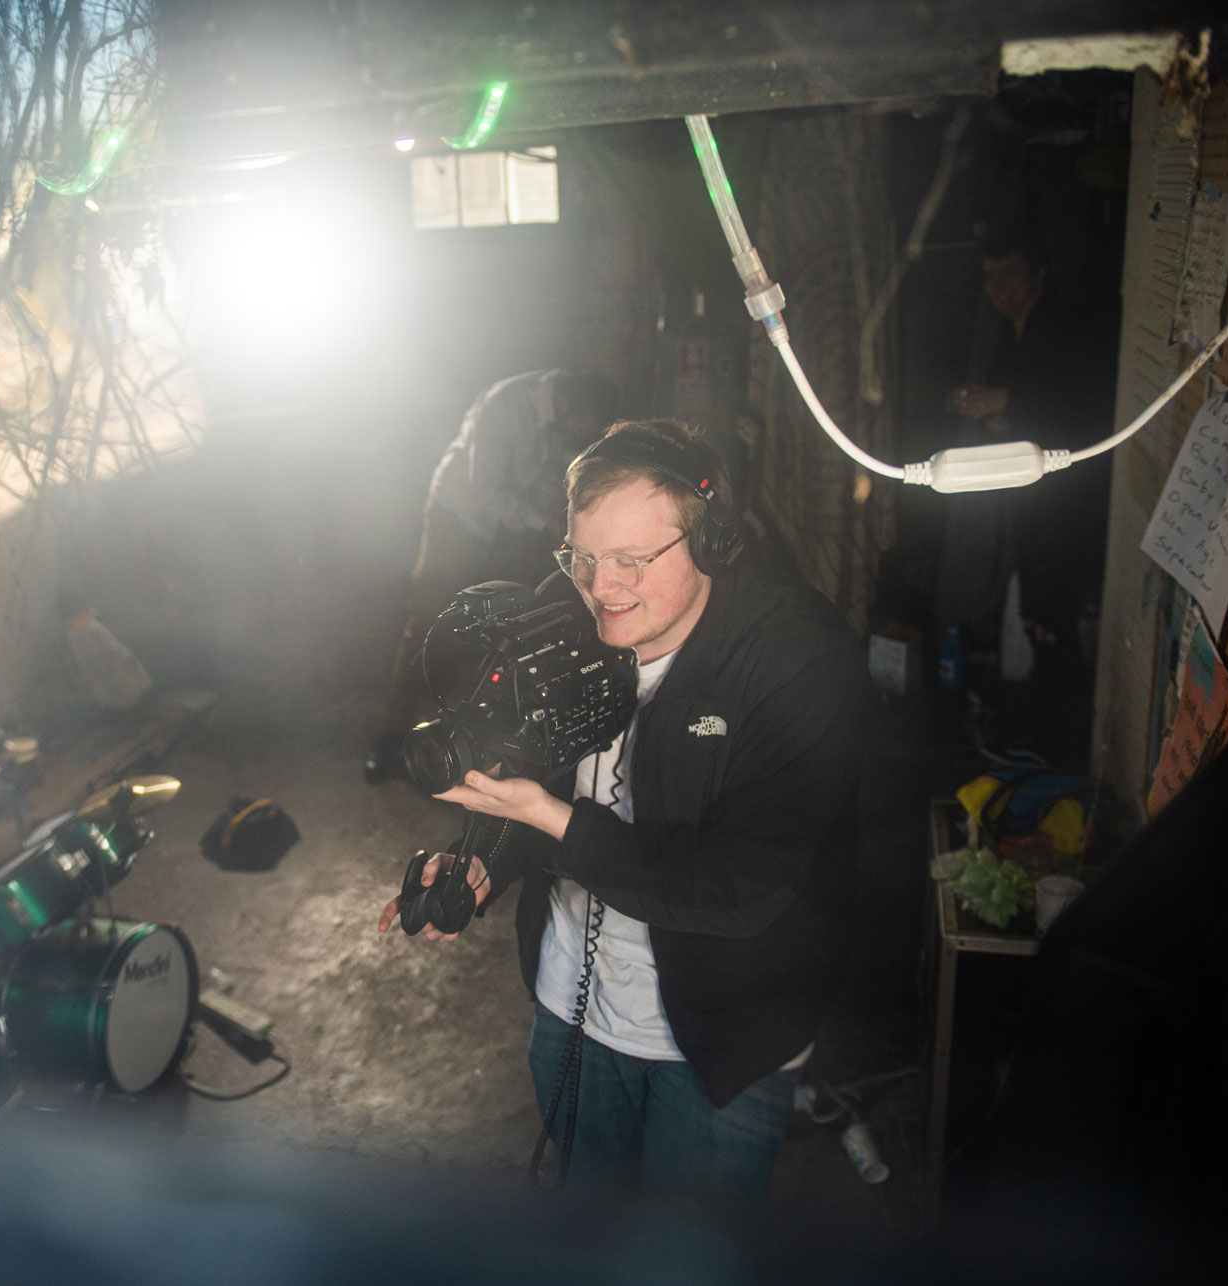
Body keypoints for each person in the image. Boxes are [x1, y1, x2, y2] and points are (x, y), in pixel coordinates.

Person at [378, 420, 870, 1208]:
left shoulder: (800, 662)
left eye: (634, 561)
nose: (600, 588)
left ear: (707, 543)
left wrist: (553, 819)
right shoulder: (563, 610)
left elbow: (741, 886)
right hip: (571, 1012)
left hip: (722, 1043)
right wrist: (487, 860)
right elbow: (529, 770)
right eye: (582, 556)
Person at [365, 369, 617, 783]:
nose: (579, 434)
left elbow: (537, 482)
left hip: (505, 527)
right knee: (428, 621)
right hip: (458, 516)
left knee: (500, 630)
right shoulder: (508, 408)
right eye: (582, 426)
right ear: (569, 405)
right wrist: (542, 520)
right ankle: (392, 738)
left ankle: (470, 745)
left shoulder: (557, 415)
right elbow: (481, 489)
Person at [947, 228, 1114, 761]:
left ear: (1039, 273)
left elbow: (1082, 407)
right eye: (990, 276)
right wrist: (988, 410)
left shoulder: (1065, 326)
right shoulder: (1006, 333)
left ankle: (1067, 740)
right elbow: (1012, 419)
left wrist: (1008, 401)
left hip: (1070, 499)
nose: (999, 287)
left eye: (1010, 273)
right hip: (1029, 496)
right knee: (1036, 613)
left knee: (1055, 617)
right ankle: (1046, 732)